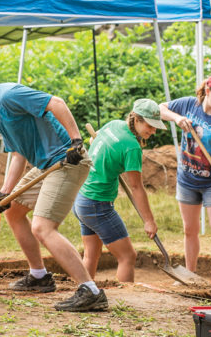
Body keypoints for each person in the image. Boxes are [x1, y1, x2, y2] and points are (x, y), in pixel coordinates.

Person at [0, 58, 107, 312]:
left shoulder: (8, 95)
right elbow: (18, 153)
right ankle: (39, 276)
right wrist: (4, 193)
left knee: (43, 227)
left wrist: (76, 141)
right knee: (13, 210)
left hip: (66, 161)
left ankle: (90, 291)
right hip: (45, 164)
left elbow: (56, 103)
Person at [159, 73, 211, 283]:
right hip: (187, 181)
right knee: (189, 230)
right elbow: (160, 108)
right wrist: (177, 118)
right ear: (207, 91)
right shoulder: (188, 105)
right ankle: (189, 276)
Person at [73, 99, 163, 283]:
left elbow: (93, 140)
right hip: (97, 204)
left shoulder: (114, 124)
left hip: (82, 199)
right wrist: (149, 221)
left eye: (155, 127)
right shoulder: (132, 147)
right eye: (150, 125)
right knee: (127, 256)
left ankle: (84, 292)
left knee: (91, 254)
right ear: (136, 119)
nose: (153, 131)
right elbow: (136, 187)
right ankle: (125, 303)